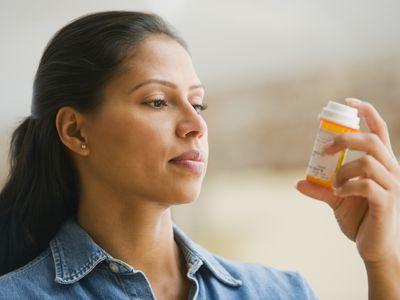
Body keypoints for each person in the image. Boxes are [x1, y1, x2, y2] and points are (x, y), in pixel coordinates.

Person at [0, 11, 398, 300]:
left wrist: (382, 261)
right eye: (157, 102)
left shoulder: (281, 293)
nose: (196, 125)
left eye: (198, 104)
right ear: (74, 129)